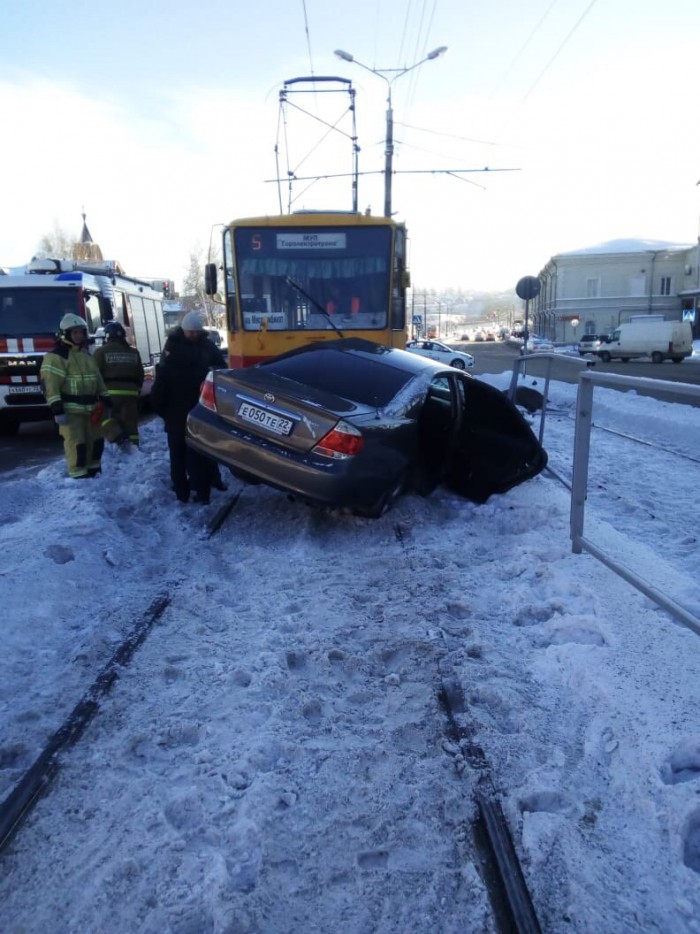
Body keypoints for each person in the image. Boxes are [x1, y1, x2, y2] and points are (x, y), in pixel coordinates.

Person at [150, 310, 227, 504]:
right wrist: (164, 411)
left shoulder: (206, 346)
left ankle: (206, 486)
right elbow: (160, 388)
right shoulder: (173, 350)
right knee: (180, 454)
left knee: (200, 452)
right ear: (183, 331)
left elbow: (221, 369)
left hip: (199, 410)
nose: (193, 335)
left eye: (195, 332)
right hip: (180, 412)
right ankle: (183, 491)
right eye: (189, 332)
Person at [40, 313, 111, 479]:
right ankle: (78, 477)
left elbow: (97, 379)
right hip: (71, 412)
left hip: (92, 410)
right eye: (75, 333)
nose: (79, 336)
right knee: (77, 445)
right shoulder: (56, 357)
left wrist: (105, 397)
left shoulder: (86, 356)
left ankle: (94, 471)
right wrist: (57, 408)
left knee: (96, 442)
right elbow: (50, 385)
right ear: (65, 334)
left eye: (81, 332)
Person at [93, 321, 145, 446]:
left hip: (110, 393)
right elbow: (140, 374)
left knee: (105, 419)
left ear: (107, 336)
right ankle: (134, 448)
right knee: (130, 422)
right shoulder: (134, 352)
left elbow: (95, 373)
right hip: (131, 393)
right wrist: (137, 389)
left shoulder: (101, 352)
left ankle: (117, 438)